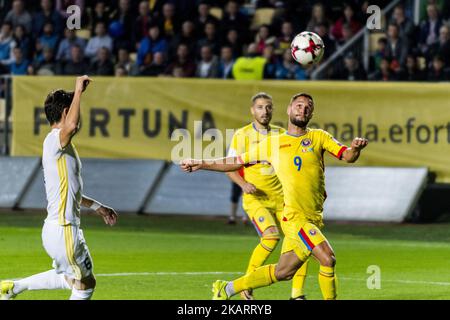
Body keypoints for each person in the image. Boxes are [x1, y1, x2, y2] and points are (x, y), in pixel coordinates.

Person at [180, 93, 369, 300]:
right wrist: (202, 163)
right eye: (298, 105)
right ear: (288, 110)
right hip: (296, 218)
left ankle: (227, 289)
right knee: (328, 258)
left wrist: (356, 149)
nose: (302, 109)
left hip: (313, 217)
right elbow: (236, 160)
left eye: (307, 107)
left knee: (283, 272)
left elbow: (347, 155)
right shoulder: (273, 144)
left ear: (312, 113)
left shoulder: (319, 137)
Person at [0, 76, 118, 300]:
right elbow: (71, 125)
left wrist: (97, 206)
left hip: (56, 230)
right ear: (65, 112)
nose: (77, 113)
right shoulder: (57, 140)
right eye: (72, 107)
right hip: (64, 230)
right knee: (85, 284)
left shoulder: (56, 145)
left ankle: (13, 288)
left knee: (71, 278)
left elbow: (71, 192)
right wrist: (78, 91)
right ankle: (14, 288)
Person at [225, 93, 310, 300]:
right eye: (261, 107)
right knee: (271, 236)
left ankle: (297, 295)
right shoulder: (242, 135)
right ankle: (247, 283)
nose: (265, 111)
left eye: (269, 107)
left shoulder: (281, 134)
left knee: (302, 242)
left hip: (282, 200)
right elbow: (229, 166)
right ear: (252, 111)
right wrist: (243, 184)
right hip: (257, 199)